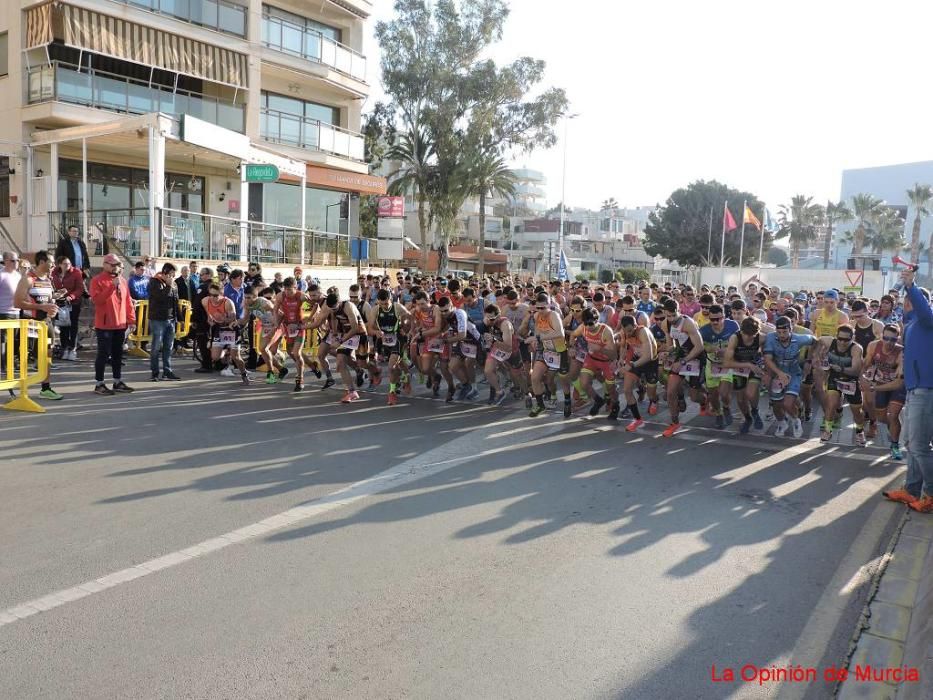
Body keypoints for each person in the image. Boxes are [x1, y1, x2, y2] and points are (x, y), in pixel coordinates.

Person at [883, 268, 933, 513]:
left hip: (926, 391)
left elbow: (925, 311)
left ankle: (930, 495)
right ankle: (912, 490)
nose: (903, 303)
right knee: (912, 444)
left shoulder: (927, 320)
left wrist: (911, 285)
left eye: (907, 300)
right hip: (915, 390)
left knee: (920, 446)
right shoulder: (913, 324)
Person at [13, 251, 63, 400]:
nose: (54, 265)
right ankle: (22, 391)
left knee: (48, 354)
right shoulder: (27, 279)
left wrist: (54, 302)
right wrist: (42, 308)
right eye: (51, 262)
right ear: (42, 262)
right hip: (30, 323)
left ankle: (46, 388)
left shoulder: (48, 279)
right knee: (28, 357)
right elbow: (17, 302)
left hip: (46, 323)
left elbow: (46, 300)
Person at [90, 254, 136, 395]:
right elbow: (97, 300)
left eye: (117, 265)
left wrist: (131, 319)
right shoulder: (97, 280)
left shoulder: (122, 281)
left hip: (120, 324)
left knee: (117, 354)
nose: (115, 267)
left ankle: (117, 381)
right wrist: (111, 286)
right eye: (113, 264)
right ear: (105, 264)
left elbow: (128, 301)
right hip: (104, 324)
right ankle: (99, 383)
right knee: (103, 355)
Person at [148, 262, 181, 381]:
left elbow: (175, 301)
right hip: (157, 319)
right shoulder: (154, 282)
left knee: (168, 347)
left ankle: (167, 371)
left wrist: (179, 318)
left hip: (171, 319)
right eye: (171, 274)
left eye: (174, 275)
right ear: (165, 273)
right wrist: (168, 286)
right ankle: (155, 372)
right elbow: (159, 298)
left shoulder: (173, 284)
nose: (173, 277)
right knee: (156, 347)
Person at [51, 255, 84, 360]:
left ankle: (72, 348)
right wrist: (56, 294)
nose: (68, 266)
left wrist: (71, 296)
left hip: (73, 303)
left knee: (73, 326)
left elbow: (80, 288)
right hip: (60, 304)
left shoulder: (76, 272)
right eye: (65, 264)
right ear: (59, 264)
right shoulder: (54, 273)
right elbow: (52, 286)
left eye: (69, 263)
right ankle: (64, 348)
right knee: (63, 326)